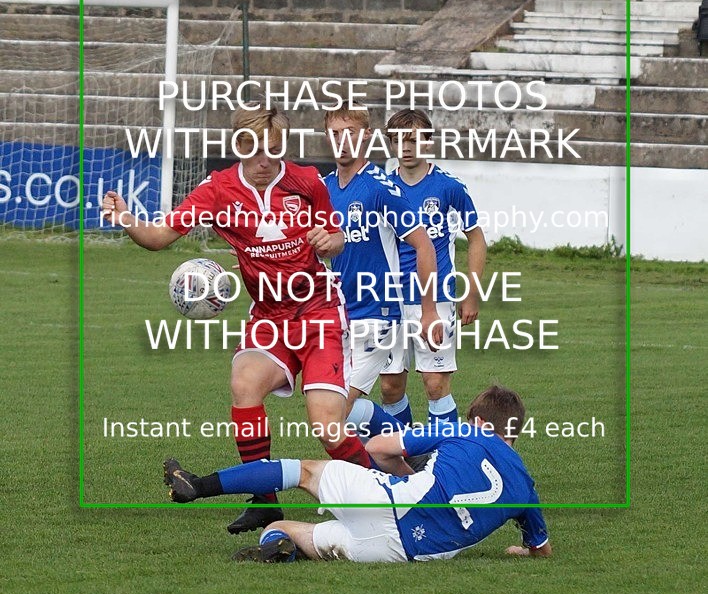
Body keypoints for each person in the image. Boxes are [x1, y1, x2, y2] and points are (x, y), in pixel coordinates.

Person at [101, 103, 372, 535]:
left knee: (327, 429)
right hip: (268, 318)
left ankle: (387, 492)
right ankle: (265, 503)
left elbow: (335, 239)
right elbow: (158, 238)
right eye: (252, 149)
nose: (264, 160)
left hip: (319, 313)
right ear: (238, 145)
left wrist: (331, 240)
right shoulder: (218, 190)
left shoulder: (306, 183)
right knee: (244, 384)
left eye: (273, 149)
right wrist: (126, 218)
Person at [164, 385, 551, 563]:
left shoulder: (463, 430)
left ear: (480, 421)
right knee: (281, 533)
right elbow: (542, 550)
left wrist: (403, 472)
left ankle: (198, 485)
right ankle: (280, 548)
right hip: (401, 553)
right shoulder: (527, 489)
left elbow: (378, 448)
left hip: (392, 502)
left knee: (305, 472)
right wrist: (523, 550)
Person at [321, 107, 442, 428]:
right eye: (335, 134)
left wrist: (429, 312)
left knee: (334, 410)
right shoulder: (323, 189)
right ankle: (409, 453)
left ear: (367, 137)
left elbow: (424, 244)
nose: (342, 141)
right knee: (331, 413)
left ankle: (409, 454)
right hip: (340, 316)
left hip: (380, 315)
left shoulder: (380, 188)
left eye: (350, 133)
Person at [380, 109, 487, 427]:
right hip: (388, 299)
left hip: (436, 298)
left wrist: (471, 294)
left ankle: (444, 462)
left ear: (428, 143)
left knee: (435, 384)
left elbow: (477, 239)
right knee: (389, 387)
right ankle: (404, 459)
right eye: (399, 140)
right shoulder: (380, 188)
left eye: (414, 140)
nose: (406, 147)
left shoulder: (449, 187)